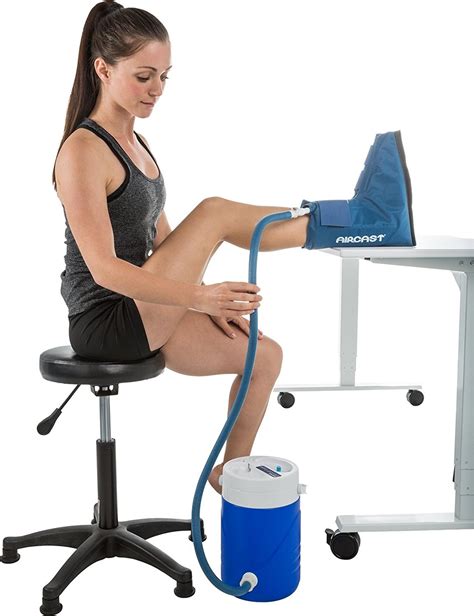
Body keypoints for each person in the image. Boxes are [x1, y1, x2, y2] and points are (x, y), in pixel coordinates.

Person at [53, 1, 311, 495]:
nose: (157, 89)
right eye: (144, 76)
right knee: (213, 213)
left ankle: (231, 477)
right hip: (106, 320)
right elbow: (104, 269)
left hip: (146, 305)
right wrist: (199, 298)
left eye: (164, 77)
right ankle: (333, 224)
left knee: (264, 357)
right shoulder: (83, 150)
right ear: (103, 69)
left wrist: (206, 303)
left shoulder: (137, 144)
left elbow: (168, 245)